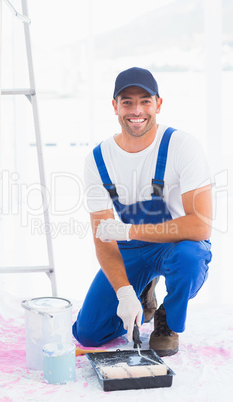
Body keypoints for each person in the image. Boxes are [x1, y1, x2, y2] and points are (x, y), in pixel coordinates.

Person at [72, 67, 212, 356]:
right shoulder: (98, 160)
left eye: (145, 101)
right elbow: (103, 238)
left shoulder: (181, 145)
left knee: (191, 257)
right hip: (131, 250)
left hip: (175, 245)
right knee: (89, 333)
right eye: (127, 102)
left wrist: (129, 230)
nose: (136, 110)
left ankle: (167, 319)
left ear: (158, 104)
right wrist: (124, 292)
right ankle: (141, 292)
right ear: (115, 106)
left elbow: (200, 226)